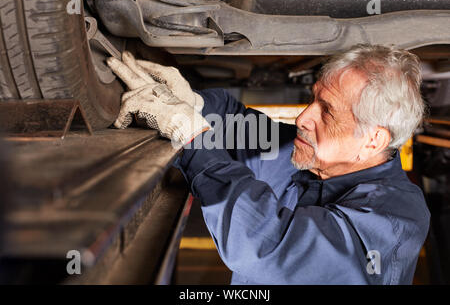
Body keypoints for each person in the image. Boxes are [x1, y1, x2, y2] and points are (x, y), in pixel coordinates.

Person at [107, 44, 430, 284]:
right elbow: (238, 124)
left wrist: (193, 137)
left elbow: (269, 246)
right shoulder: (306, 153)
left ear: (373, 140)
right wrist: (195, 104)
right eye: (313, 98)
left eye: (327, 111)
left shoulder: (395, 216)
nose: (303, 117)